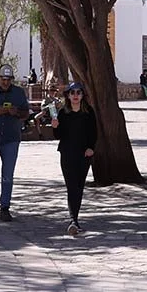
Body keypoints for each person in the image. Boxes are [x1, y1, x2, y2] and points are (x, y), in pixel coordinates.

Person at [0, 64, 31, 221]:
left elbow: (26, 113)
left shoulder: (18, 93)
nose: (6, 82)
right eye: (3, 79)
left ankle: (5, 207)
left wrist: (17, 112)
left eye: (9, 79)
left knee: (7, 175)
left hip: (11, 138)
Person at [53, 81, 98, 236]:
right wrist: (55, 126)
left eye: (79, 92)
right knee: (71, 186)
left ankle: (75, 219)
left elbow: (94, 132)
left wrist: (91, 148)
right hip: (67, 153)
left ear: (83, 95)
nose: (76, 95)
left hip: (84, 154)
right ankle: (73, 220)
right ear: (68, 95)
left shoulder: (89, 112)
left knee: (79, 186)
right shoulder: (63, 113)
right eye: (72, 93)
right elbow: (58, 135)